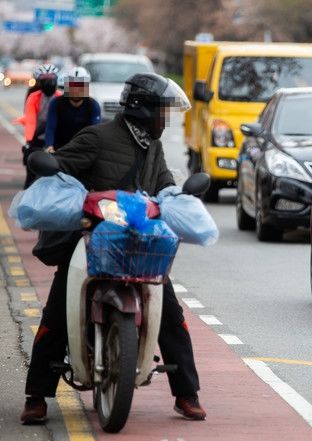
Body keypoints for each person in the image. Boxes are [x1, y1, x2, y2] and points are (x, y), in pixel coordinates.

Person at [20, 73, 207, 424]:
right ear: (142, 111)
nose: (164, 121)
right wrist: (51, 165)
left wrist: (176, 196)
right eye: (161, 112)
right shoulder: (97, 137)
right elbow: (62, 166)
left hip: (137, 240)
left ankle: (187, 393)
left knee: (171, 314)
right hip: (91, 237)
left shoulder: (153, 146)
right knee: (58, 309)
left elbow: (164, 181)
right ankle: (36, 396)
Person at [14, 64, 61, 188]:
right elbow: (30, 120)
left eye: (51, 80)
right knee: (31, 173)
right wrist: (29, 141)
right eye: (44, 80)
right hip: (37, 136)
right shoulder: (33, 97)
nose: (48, 83)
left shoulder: (60, 97)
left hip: (55, 138)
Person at [44, 67, 101, 153]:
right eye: (72, 86)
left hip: (83, 150)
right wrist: (49, 146)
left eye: (80, 86)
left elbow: (95, 132)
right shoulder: (56, 103)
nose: (76, 90)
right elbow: (50, 128)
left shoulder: (93, 105)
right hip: (59, 150)